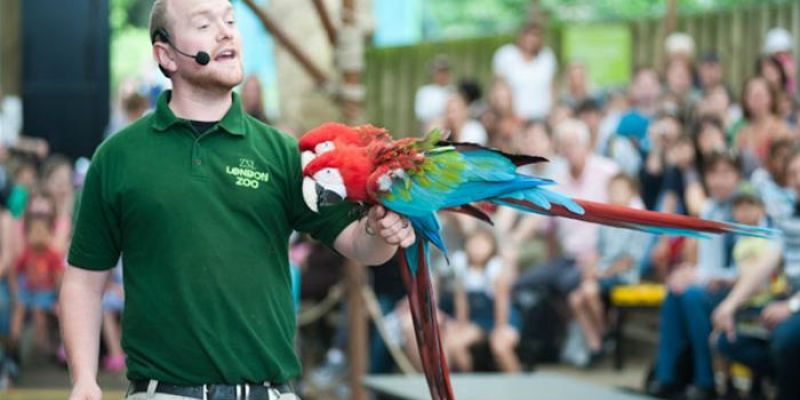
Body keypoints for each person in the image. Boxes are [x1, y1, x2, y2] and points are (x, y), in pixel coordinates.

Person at [61, 1, 415, 399]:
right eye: (204, 23)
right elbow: (83, 282)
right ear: (165, 54)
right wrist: (84, 380)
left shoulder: (280, 151)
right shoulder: (118, 157)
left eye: (230, 20)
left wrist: (380, 229)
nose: (226, 31)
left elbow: (359, 244)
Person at [647, 150, 743, 400]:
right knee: (676, 291)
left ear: (737, 176)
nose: (718, 181)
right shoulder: (709, 206)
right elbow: (709, 262)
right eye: (713, 174)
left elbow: (744, 266)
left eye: (725, 174)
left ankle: (706, 380)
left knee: (691, 297)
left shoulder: (745, 208)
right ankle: (667, 375)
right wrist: (690, 272)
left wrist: (703, 278)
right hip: (711, 282)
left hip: (737, 285)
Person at [568, 173, 650, 365]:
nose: (615, 194)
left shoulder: (638, 220)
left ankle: (606, 333)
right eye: (612, 190)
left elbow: (629, 260)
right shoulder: (606, 220)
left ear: (632, 193)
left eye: (620, 190)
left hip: (624, 276)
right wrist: (592, 268)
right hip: (604, 274)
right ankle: (596, 344)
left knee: (588, 291)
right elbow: (599, 251)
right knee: (575, 299)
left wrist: (602, 272)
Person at [446, 227, 521, 373]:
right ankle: (467, 382)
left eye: (482, 244)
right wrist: (461, 324)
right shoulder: (461, 266)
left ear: (491, 247)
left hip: (502, 318)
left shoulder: (496, 268)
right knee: (453, 343)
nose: (477, 248)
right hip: (478, 320)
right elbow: (461, 300)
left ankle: (517, 383)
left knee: (500, 347)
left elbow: (502, 301)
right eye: (473, 243)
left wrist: (500, 328)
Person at [8, 190, 63, 364]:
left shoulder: (52, 255)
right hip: (28, 291)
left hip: (45, 293)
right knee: (19, 307)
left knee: (39, 312)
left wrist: (58, 297)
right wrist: (16, 289)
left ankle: (41, 346)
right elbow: (15, 270)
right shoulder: (27, 253)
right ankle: (13, 342)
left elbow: (58, 277)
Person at [492, 21, 557, 121]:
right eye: (527, 34)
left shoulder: (547, 57)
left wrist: (552, 115)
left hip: (542, 117)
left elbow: (551, 89)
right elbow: (499, 89)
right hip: (514, 118)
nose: (530, 39)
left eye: (535, 35)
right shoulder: (506, 55)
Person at [414, 55, 453, 128]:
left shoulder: (452, 90)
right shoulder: (425, 92)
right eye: (439, 71)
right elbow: (421, 114)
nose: (442, 75)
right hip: (430, 127)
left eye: (444, 71)